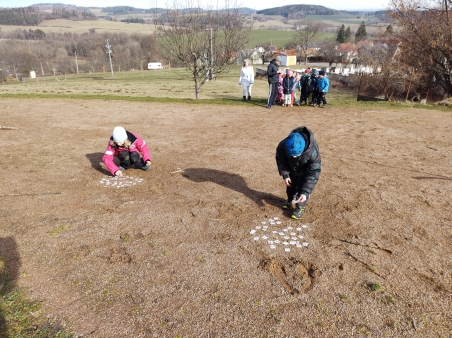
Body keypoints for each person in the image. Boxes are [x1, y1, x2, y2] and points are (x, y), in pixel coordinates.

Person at [275, 126, 321, 219]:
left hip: (305, 172)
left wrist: (306, 191)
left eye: (297, 154)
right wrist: (285, 174)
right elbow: (281, 160)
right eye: (292, 155)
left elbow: (314, 171)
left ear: (303, 148)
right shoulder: (283, 145)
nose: (294, 157)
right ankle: (290, 199)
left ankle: (300, 207)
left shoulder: (312, 152)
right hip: (292, 169)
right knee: (290, 187)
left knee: (301, 191)